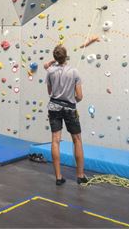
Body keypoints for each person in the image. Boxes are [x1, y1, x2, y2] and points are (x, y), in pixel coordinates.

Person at [44, 44, 88, 185]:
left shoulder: (50, 71)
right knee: (77, 140)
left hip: (54, 107)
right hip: (69, 108)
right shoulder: (74, 72)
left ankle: (58, 177)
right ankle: (80, 176)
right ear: (66, 56)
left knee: (55, 140)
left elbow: (50, 93)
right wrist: (71, 99)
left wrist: (52, 62)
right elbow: (80, 96)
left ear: (55, 57)